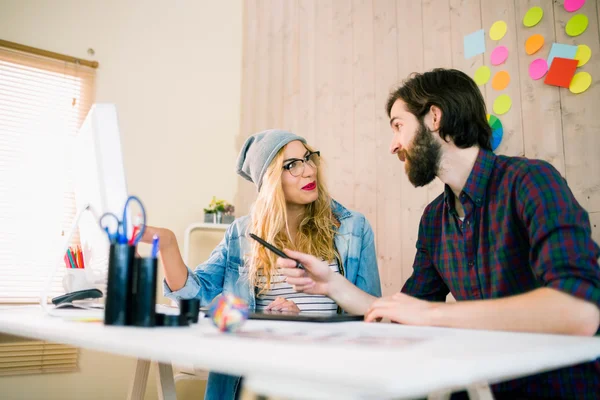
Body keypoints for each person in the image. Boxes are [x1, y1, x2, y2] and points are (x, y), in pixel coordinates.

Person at [277, 69, 600, 399]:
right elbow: (405, 314)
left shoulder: (530, 181)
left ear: (434, 117)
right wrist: (331, 285)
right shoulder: (434, 219)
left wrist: (431, 315)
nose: (393, 145)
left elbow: (580, 311)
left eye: (398, 125)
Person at [141, 129, 381, 400]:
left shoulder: (353, 228)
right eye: (292, 165)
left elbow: (372, 315)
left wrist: (301, 323)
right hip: (255, 374)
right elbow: (195, 296)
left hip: (327, 374)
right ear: (270, 182)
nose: (309, 171)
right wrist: (168, 245)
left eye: (308, 158)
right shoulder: (241, 234)